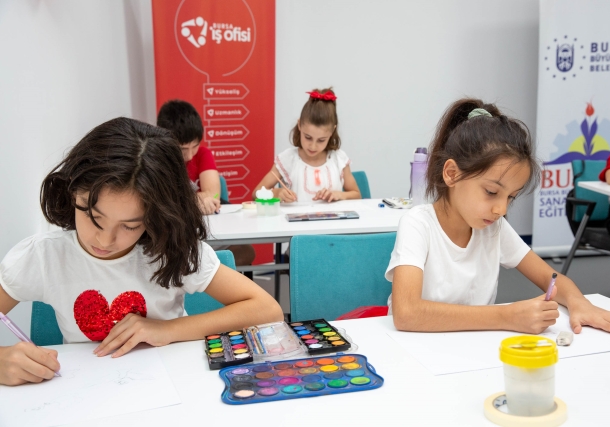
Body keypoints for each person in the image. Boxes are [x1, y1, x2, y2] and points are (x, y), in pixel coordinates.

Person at [0, 117, 283, 386]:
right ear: (72, 190)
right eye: (92, 216)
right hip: (87, 392)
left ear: (155, 216)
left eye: (130, 225)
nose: (105, 240)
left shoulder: (171, 250)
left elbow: (267, 309)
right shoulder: (43, 256)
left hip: (173, 385)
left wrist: (168, 330)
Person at [386, 98, 610, 339]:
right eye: (491, 192)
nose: (501, 209)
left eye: (511, 197)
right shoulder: (418, 224)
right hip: (413, 350)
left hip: (469, 351)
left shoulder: (493, 227)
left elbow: (552, 279)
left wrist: (580, 303)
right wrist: (506, 316)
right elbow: (407, 313)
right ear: (452, 174)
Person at [157, 100, 255, 266]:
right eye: (182, 149)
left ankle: (208, 273)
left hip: (208, 232)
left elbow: (213, 194)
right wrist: (195, 201)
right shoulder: (159, 161)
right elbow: (163, 203)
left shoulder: (202, 154)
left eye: (194, 146)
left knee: (246, 251)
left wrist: (189, 201)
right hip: (177, 237)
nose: (189, 155)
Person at [253, 88, 361, 202]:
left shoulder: (338, 159)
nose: (313, 146)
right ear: (299, 125)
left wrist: (339, 195)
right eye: (308, 137)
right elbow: (255, 194)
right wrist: (276, 193)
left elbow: (357, 195)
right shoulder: (288, 159)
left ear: (332, 132)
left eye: (321, 140)